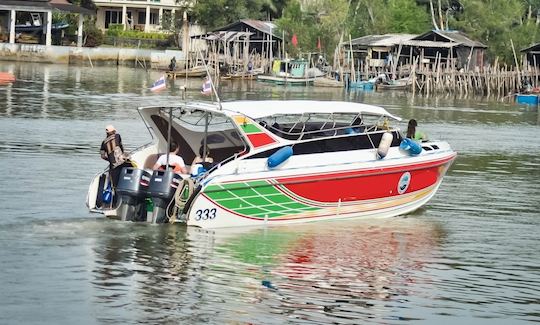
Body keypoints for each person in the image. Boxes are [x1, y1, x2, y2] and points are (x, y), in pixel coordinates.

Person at [100, 124, 127, 189]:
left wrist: (110, 159)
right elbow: (120, 147)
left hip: (113, 166)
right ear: (114, 131)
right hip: (122, 163)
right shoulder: (117, 136)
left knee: (115, 185)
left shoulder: (103, 143)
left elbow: (103, 156)